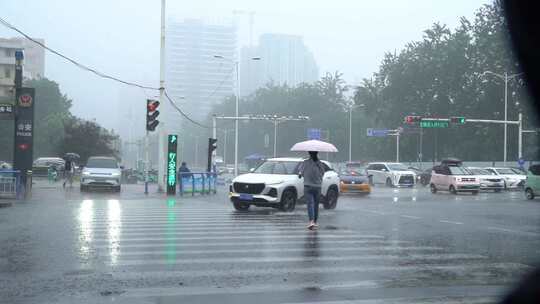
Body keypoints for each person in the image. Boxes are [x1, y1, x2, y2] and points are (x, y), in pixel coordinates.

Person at [299, 151, 326, 230]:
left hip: (308, 186)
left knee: (310, 204)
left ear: (309, 154)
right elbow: (323, 173)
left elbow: (300, 173)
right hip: (317, 186)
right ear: (316, 154)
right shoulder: (320, 163)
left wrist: (301, 174)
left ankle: (312, 221)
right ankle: (314, 222)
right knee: (315, 205)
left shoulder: (305, 162)